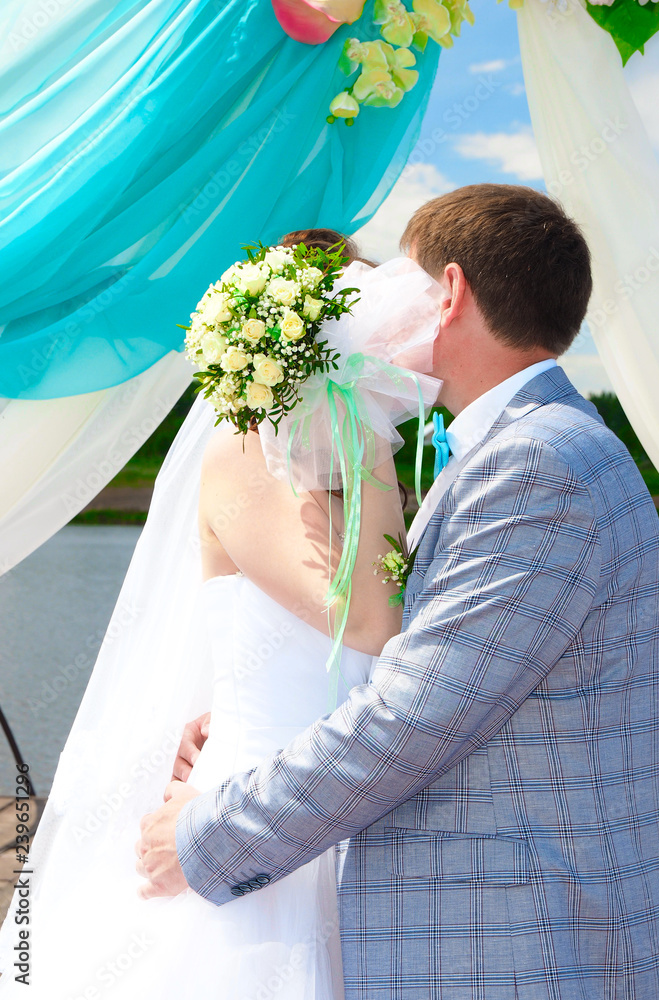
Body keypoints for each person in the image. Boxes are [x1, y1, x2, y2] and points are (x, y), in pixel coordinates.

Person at [141, 185, 659, 999]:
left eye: (400, 282)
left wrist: (206, 837)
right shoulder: (509, 450)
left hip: (529, 949)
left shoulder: (533, 464)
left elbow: (414, 714)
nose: (377, 308)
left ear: (451, 293)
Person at [0, 230, 442, 998]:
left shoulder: (356, 473)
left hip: (345, 815)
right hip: (253, 822)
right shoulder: (244, 455)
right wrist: (369, 434)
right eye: (362, 333)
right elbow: (370, 625)